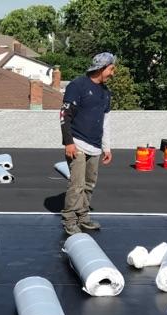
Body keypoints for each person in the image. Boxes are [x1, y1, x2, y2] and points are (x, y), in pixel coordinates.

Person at [59, 52, 115, 235]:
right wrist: (69, 142)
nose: (113, 73)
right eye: (111, 69)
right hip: (77, 143)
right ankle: (69, 220)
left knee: (90, 183)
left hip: (95, 146)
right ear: (101, 68)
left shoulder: (106, 93)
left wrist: (106, 147)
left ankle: (83, 217)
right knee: (77, 185)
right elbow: (64, 115)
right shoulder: (78, 86)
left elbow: (105, 121)